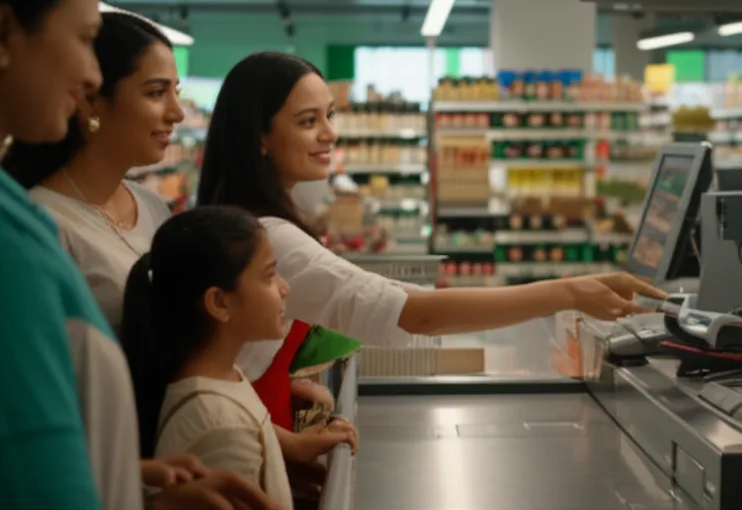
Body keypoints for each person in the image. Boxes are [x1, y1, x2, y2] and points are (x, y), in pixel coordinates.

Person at [0, 0, 278, 508]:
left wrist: (135, 477)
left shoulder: (150, 208)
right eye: (82, 39)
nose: (87, 73)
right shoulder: (33, 231)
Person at [196, 51, 667, 387]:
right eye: (307, 121)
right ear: (259, 136)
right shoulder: (270, 239)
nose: (330, 134)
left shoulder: (244, 222)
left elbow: (391, 297)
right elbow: (417, 313)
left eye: (330, 115)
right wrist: (568, 293)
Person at [121, 206, 359, 509]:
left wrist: (280, 461)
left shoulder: (225, 377)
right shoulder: (221, 425)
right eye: (269, 276)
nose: (285, 288)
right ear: (219, 302)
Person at [4, 10, 181, 333]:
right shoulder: (44, 223)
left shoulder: (152, 206)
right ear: (89, 101)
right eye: (156, 93)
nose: (177, 113)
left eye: (176, 92)